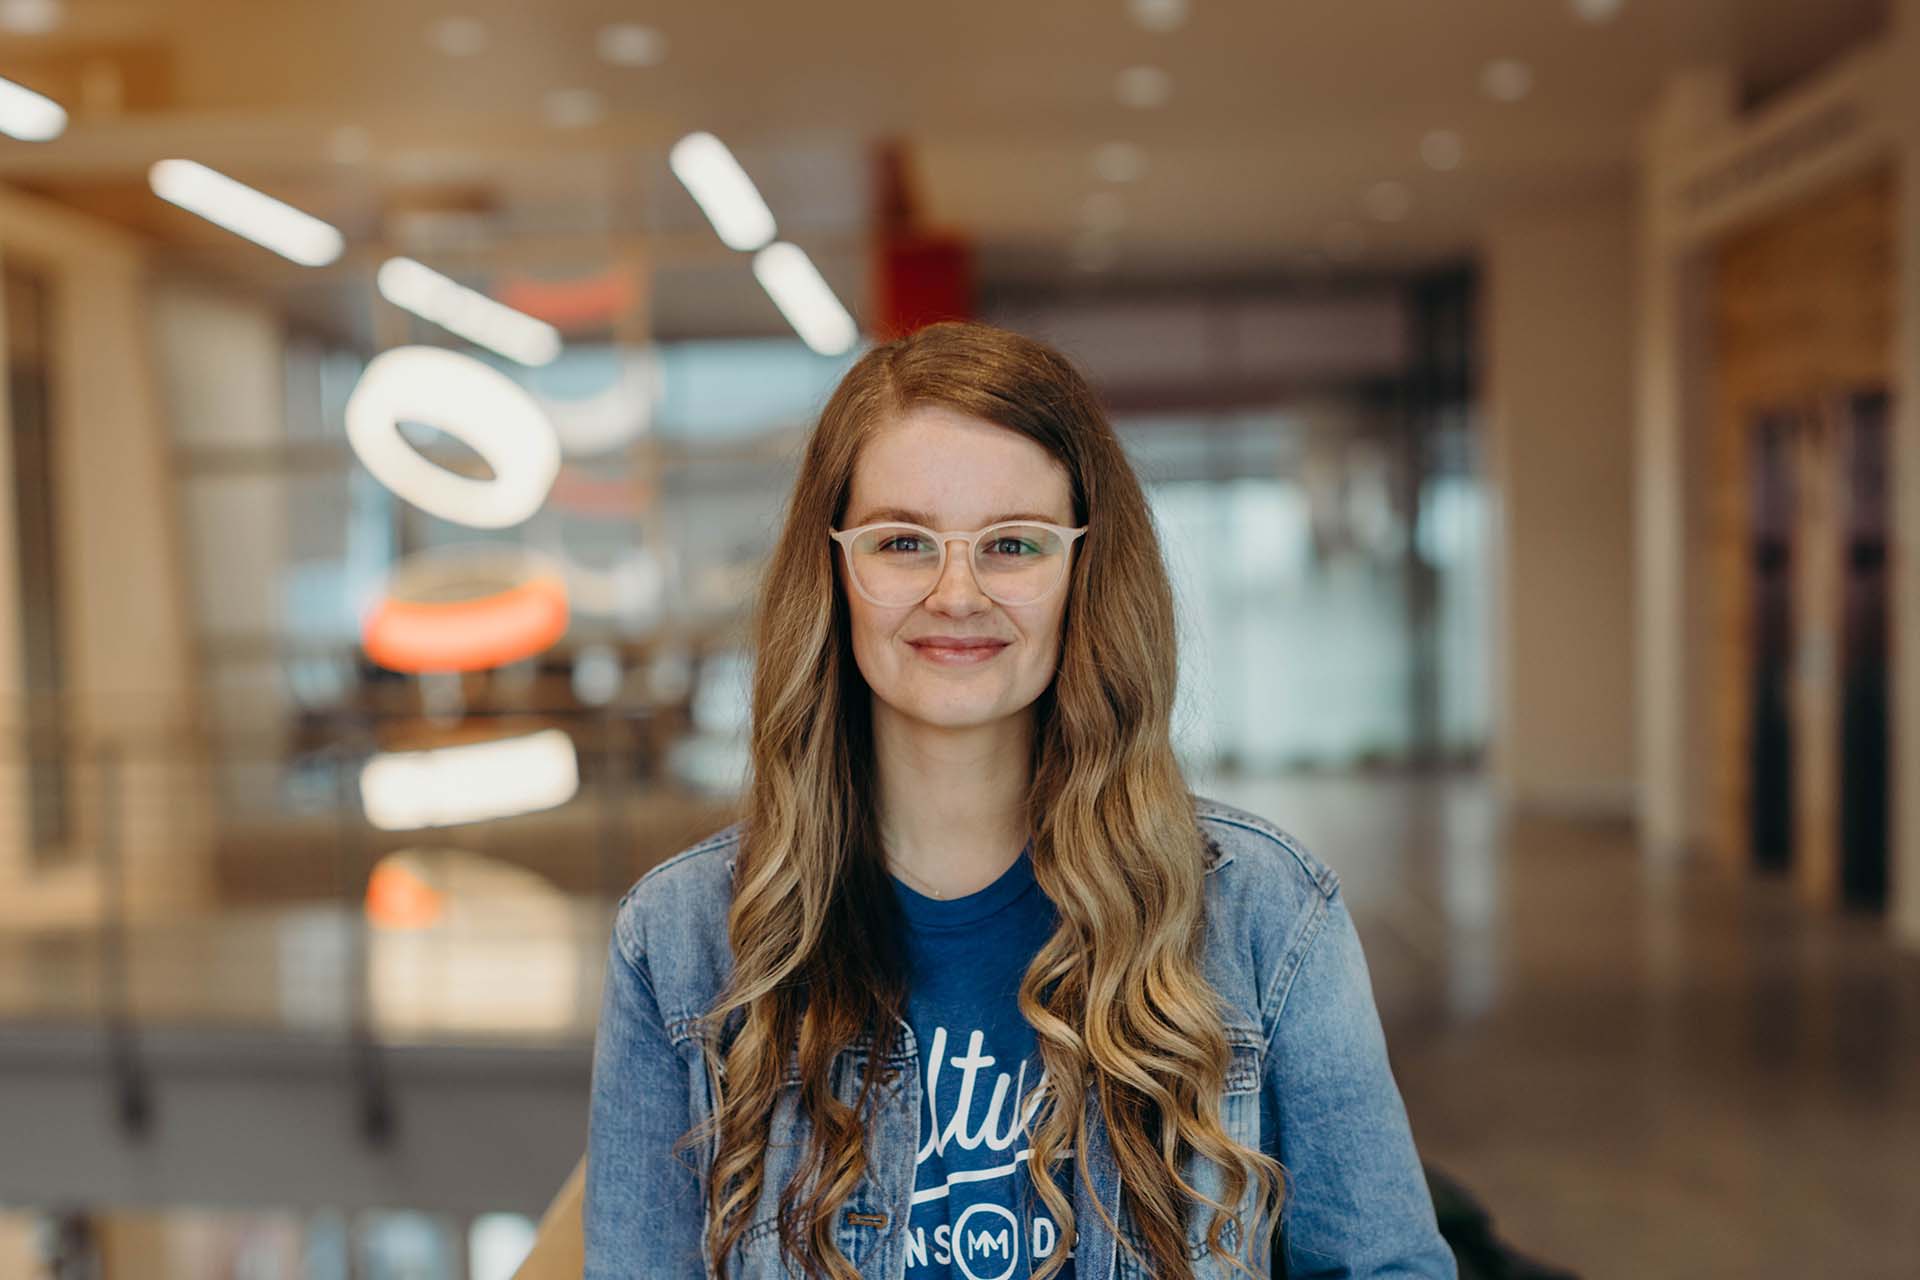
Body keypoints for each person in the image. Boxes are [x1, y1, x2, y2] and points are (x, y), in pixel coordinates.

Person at [584, 321, 1455, 1280]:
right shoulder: (678, 942)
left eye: (1013, 544)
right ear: (833, 568)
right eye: (903, 541)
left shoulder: (1265, 912)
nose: (957, 593)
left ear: (1084, 568)